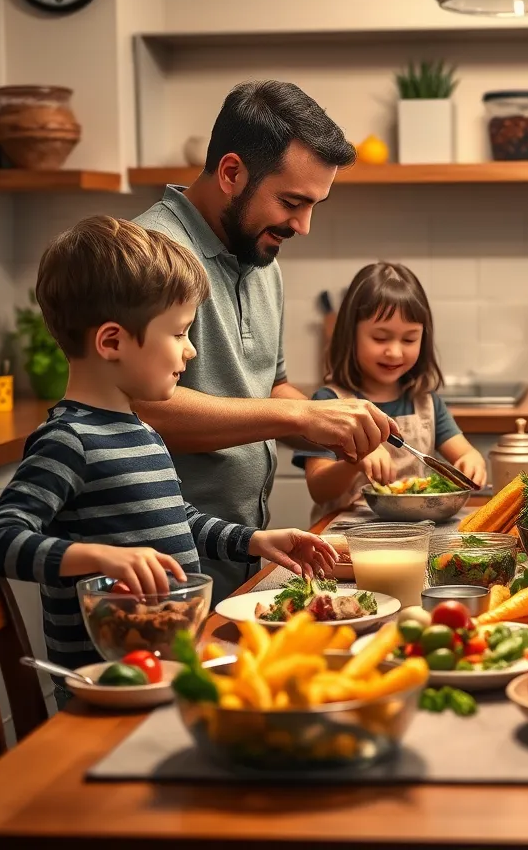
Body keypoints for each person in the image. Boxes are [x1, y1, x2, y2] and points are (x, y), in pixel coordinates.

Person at [0, 217, 337, 703]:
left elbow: (176, 519)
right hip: (104, 696)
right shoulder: (69, 440)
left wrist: (255, 541)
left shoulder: (141, 430)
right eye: (181, 333)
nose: (190, 351)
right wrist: (98, 558)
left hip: (165, 675)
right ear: (112, 342)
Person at [133, 81, 396, 601]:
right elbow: (141, 408)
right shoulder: (146, 254)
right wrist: (301, 418)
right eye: (292, 202)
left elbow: (269, 387)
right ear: (231, 173)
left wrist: (338, 424)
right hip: (158, 564)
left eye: (315, 204)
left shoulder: (260, 257)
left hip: (244, 549)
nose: (304, 225)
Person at [297, 262, 487, 512]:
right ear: (350, 335)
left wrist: (471, 462)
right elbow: (319, 490)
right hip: (348, 541)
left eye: (409, 339)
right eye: (380, 338)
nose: (394, 352)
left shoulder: (426, 403)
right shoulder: (328, 403)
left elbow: (466, 454)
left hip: (418, 538)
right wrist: (355, 461)